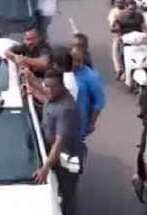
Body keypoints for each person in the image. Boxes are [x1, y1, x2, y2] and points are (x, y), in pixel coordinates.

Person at [32, 69, 85, 215]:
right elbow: (47, 102)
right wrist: (32, 91)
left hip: (68, 158)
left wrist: (45, 168)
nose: (48, 90)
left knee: (67, 195)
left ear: (62, 86)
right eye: (46, 86)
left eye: (52, 86)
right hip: (56, 154)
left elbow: (59, 142)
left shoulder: (66, 108)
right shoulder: (53, 98)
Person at [70, 47, 105, 139]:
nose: (75, 63)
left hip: (79, 124)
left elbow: (99, 102)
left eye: (78, 61)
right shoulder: (62, 71)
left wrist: (91, 123)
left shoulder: (91, 77)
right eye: (72, 60)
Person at [112, 0, 146, 82]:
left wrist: (146, 33)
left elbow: (143, 27)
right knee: (120, 52)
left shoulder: (139, 16)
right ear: (126, 8)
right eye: (130, 9)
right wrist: (116, 30)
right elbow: (116, 27)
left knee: (146, 52)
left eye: (134, 9)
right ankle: (121, 70)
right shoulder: (120, 17)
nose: (132, 11)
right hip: (125, 40)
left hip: (138, 40)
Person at [108, 0, 127, 80]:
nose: (119, 4)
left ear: (124, 2)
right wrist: (116, 29)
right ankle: (119, 70)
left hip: (132, 36)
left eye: (121, 2)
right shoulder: (113, 12)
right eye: (117, 2)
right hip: (119, 36)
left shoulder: (129, 10)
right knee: (115, 50)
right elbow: (113, 25)